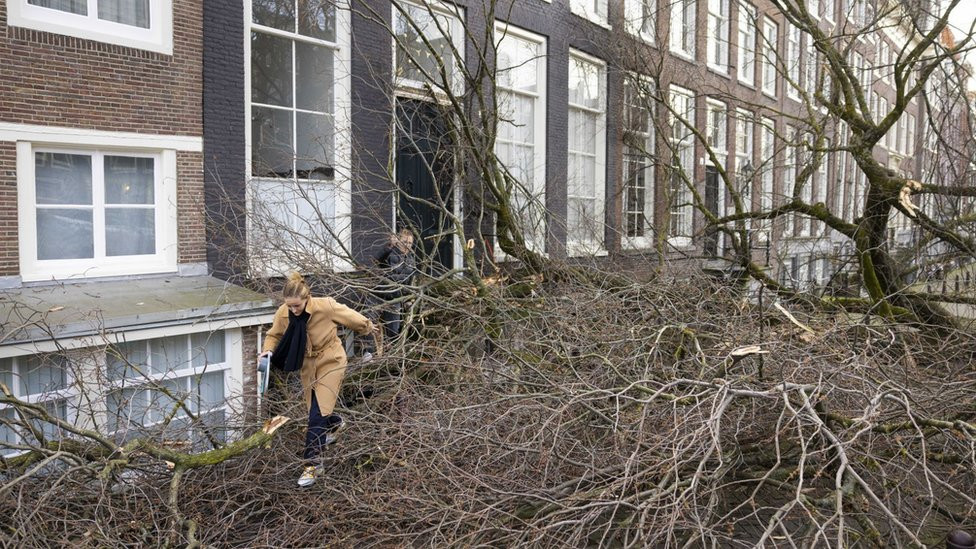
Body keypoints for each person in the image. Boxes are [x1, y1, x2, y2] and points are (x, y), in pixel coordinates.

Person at [259, 272, 379, 487]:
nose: (294, 310)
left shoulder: (325, 306)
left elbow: (352, 317)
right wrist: (266, 351)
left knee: (316, 413)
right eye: (290, 306)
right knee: (317, 410)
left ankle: (313, 464)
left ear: (307, 299)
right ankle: (336, 423)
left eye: (297, 306)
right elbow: (273, 335)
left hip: (331, 359)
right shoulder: (283, 312)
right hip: (307, 364)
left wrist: (368, 327)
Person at [372, 228, 416, 341]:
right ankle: (369, 354)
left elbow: (410, 281)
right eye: (405, 242)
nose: (407, 245)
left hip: (395, 298)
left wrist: (408, 299)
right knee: (370, 325)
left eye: (410, 243)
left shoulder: (411, 259)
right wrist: (389, 246)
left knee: (393, 330)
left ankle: (390, 355)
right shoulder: (389, 252)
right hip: (379, 295)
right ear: (398, 241)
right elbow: (375, 260)